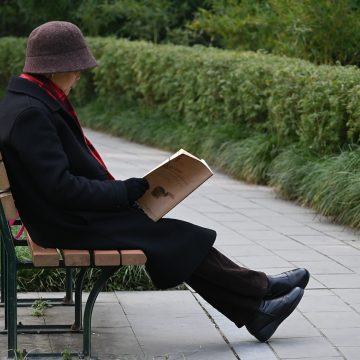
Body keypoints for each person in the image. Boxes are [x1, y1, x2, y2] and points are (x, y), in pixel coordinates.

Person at [0, 21, 310, 343]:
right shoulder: (31, 113)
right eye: (76, 67)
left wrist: (126, 191)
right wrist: (123, 191)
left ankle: (258, 307)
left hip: (64, 216)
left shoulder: (29, 103)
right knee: (174, 237)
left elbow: (58, 184)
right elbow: (61, 187)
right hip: (65, 223)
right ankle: (260, 293)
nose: (80, 74)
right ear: (54, 69)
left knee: (173, 237)